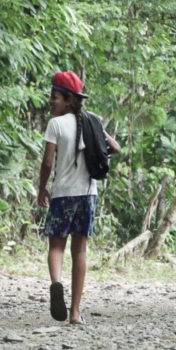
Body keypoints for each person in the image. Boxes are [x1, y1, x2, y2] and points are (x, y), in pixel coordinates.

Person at [37, 71, 121, 324]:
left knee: (56, 246)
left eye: (55, 97)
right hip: (87, 195)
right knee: (80, 250)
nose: (51, 101)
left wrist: (42, 188)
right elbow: (115, 148)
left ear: (68, 99)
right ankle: (75, 312)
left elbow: (47, 162)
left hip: (63, 194)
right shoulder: (92, 120)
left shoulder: (56, 124)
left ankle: (56, 283)